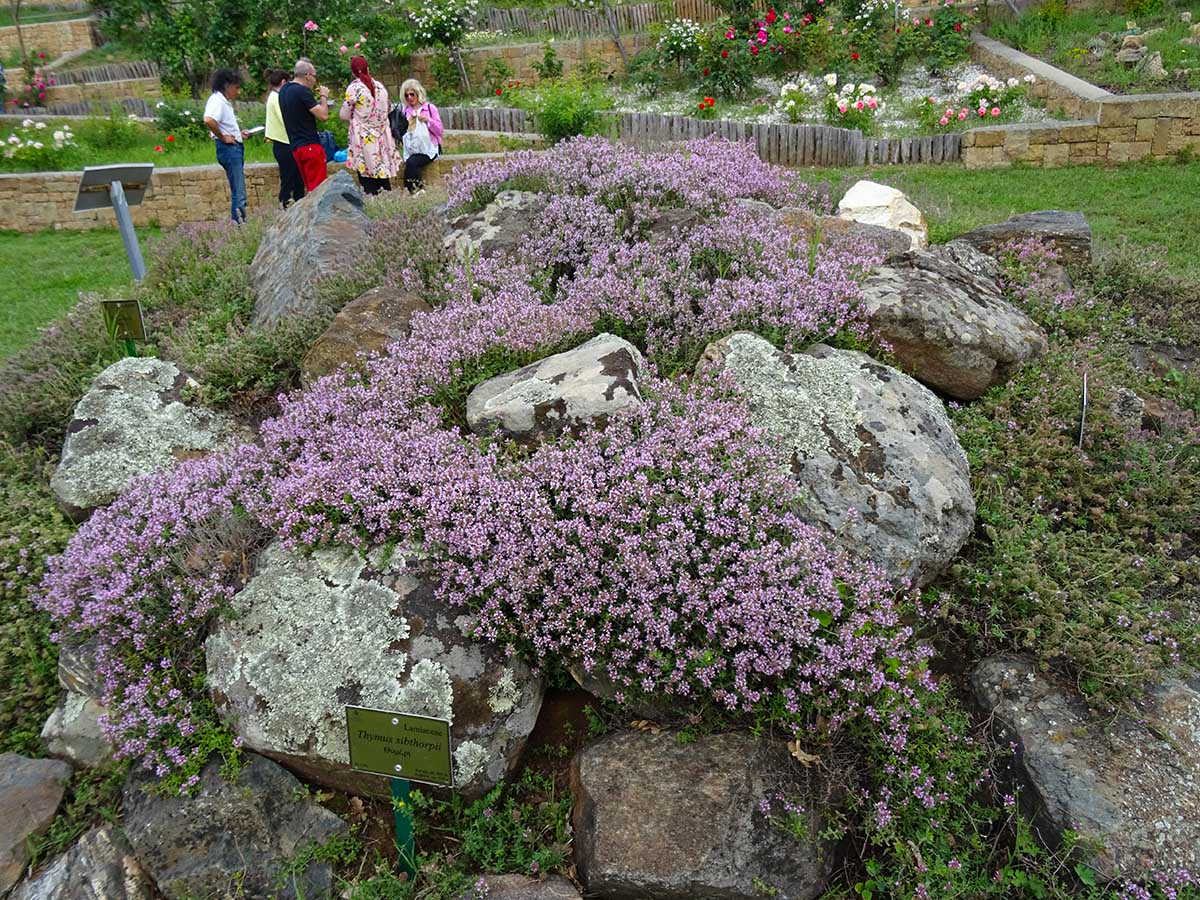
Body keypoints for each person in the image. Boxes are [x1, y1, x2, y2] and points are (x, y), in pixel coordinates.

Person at [339, 55, 400, 195]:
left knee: (367, 177)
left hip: (364, 138)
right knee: (383, 176)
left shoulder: (354, 89)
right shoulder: (380, 87)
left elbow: (344, 114)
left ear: (353, 72)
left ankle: (373, 207)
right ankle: (389, 207)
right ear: (368, 69)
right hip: (382, 137)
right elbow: (388, 109)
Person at [203, 68, 251, 223]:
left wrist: (238, 134)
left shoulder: (223, 102)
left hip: (233, 147)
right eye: (236, 87)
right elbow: (209, 120)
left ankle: (238, 222)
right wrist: (223, 137)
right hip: (229, 150)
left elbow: (223, 124)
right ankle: (239, 225)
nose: (238, 91)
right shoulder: (217, 100)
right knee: (239, 192)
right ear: (226, 86)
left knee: (238, 190)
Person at [279, 57, 331, 193]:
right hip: (310, 146)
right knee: (319, 190)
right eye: (314, 76)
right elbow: (323, 115)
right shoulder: (302, 91)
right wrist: (323, 97)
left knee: (310, 188)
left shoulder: (284, 91)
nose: (315, 80)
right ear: (307, 76)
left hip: (296, 147)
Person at [265, 68, 304, 208]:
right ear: (283, 82)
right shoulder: (277, 98)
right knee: (288, 179)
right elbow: (286, 119)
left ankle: (296, 203)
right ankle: (285, 205)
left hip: (285, 143)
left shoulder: (274, 97)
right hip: (284, 143)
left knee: (297, 179)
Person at [398, 78, 443, 194]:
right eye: (406, 95)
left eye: (412, 94)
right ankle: (413, 191)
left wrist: (428, 121)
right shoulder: (405, 111)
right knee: (411, 162)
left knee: (412, 162)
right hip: (412, 148)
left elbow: (439, 130)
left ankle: (415, 190)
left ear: (418, 94)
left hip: (429, 148)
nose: (409, 98)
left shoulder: (429, 108)